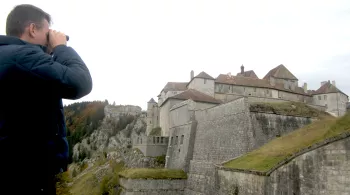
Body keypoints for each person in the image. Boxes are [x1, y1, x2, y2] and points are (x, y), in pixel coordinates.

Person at [0, 4, 92, 195]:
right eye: (47, 32)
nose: (49, 37)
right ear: (32, 29)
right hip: (24, 175)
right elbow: (80, 82)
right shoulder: (22, 57)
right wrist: (60, 47)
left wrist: (48, 53)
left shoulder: (9, 57)